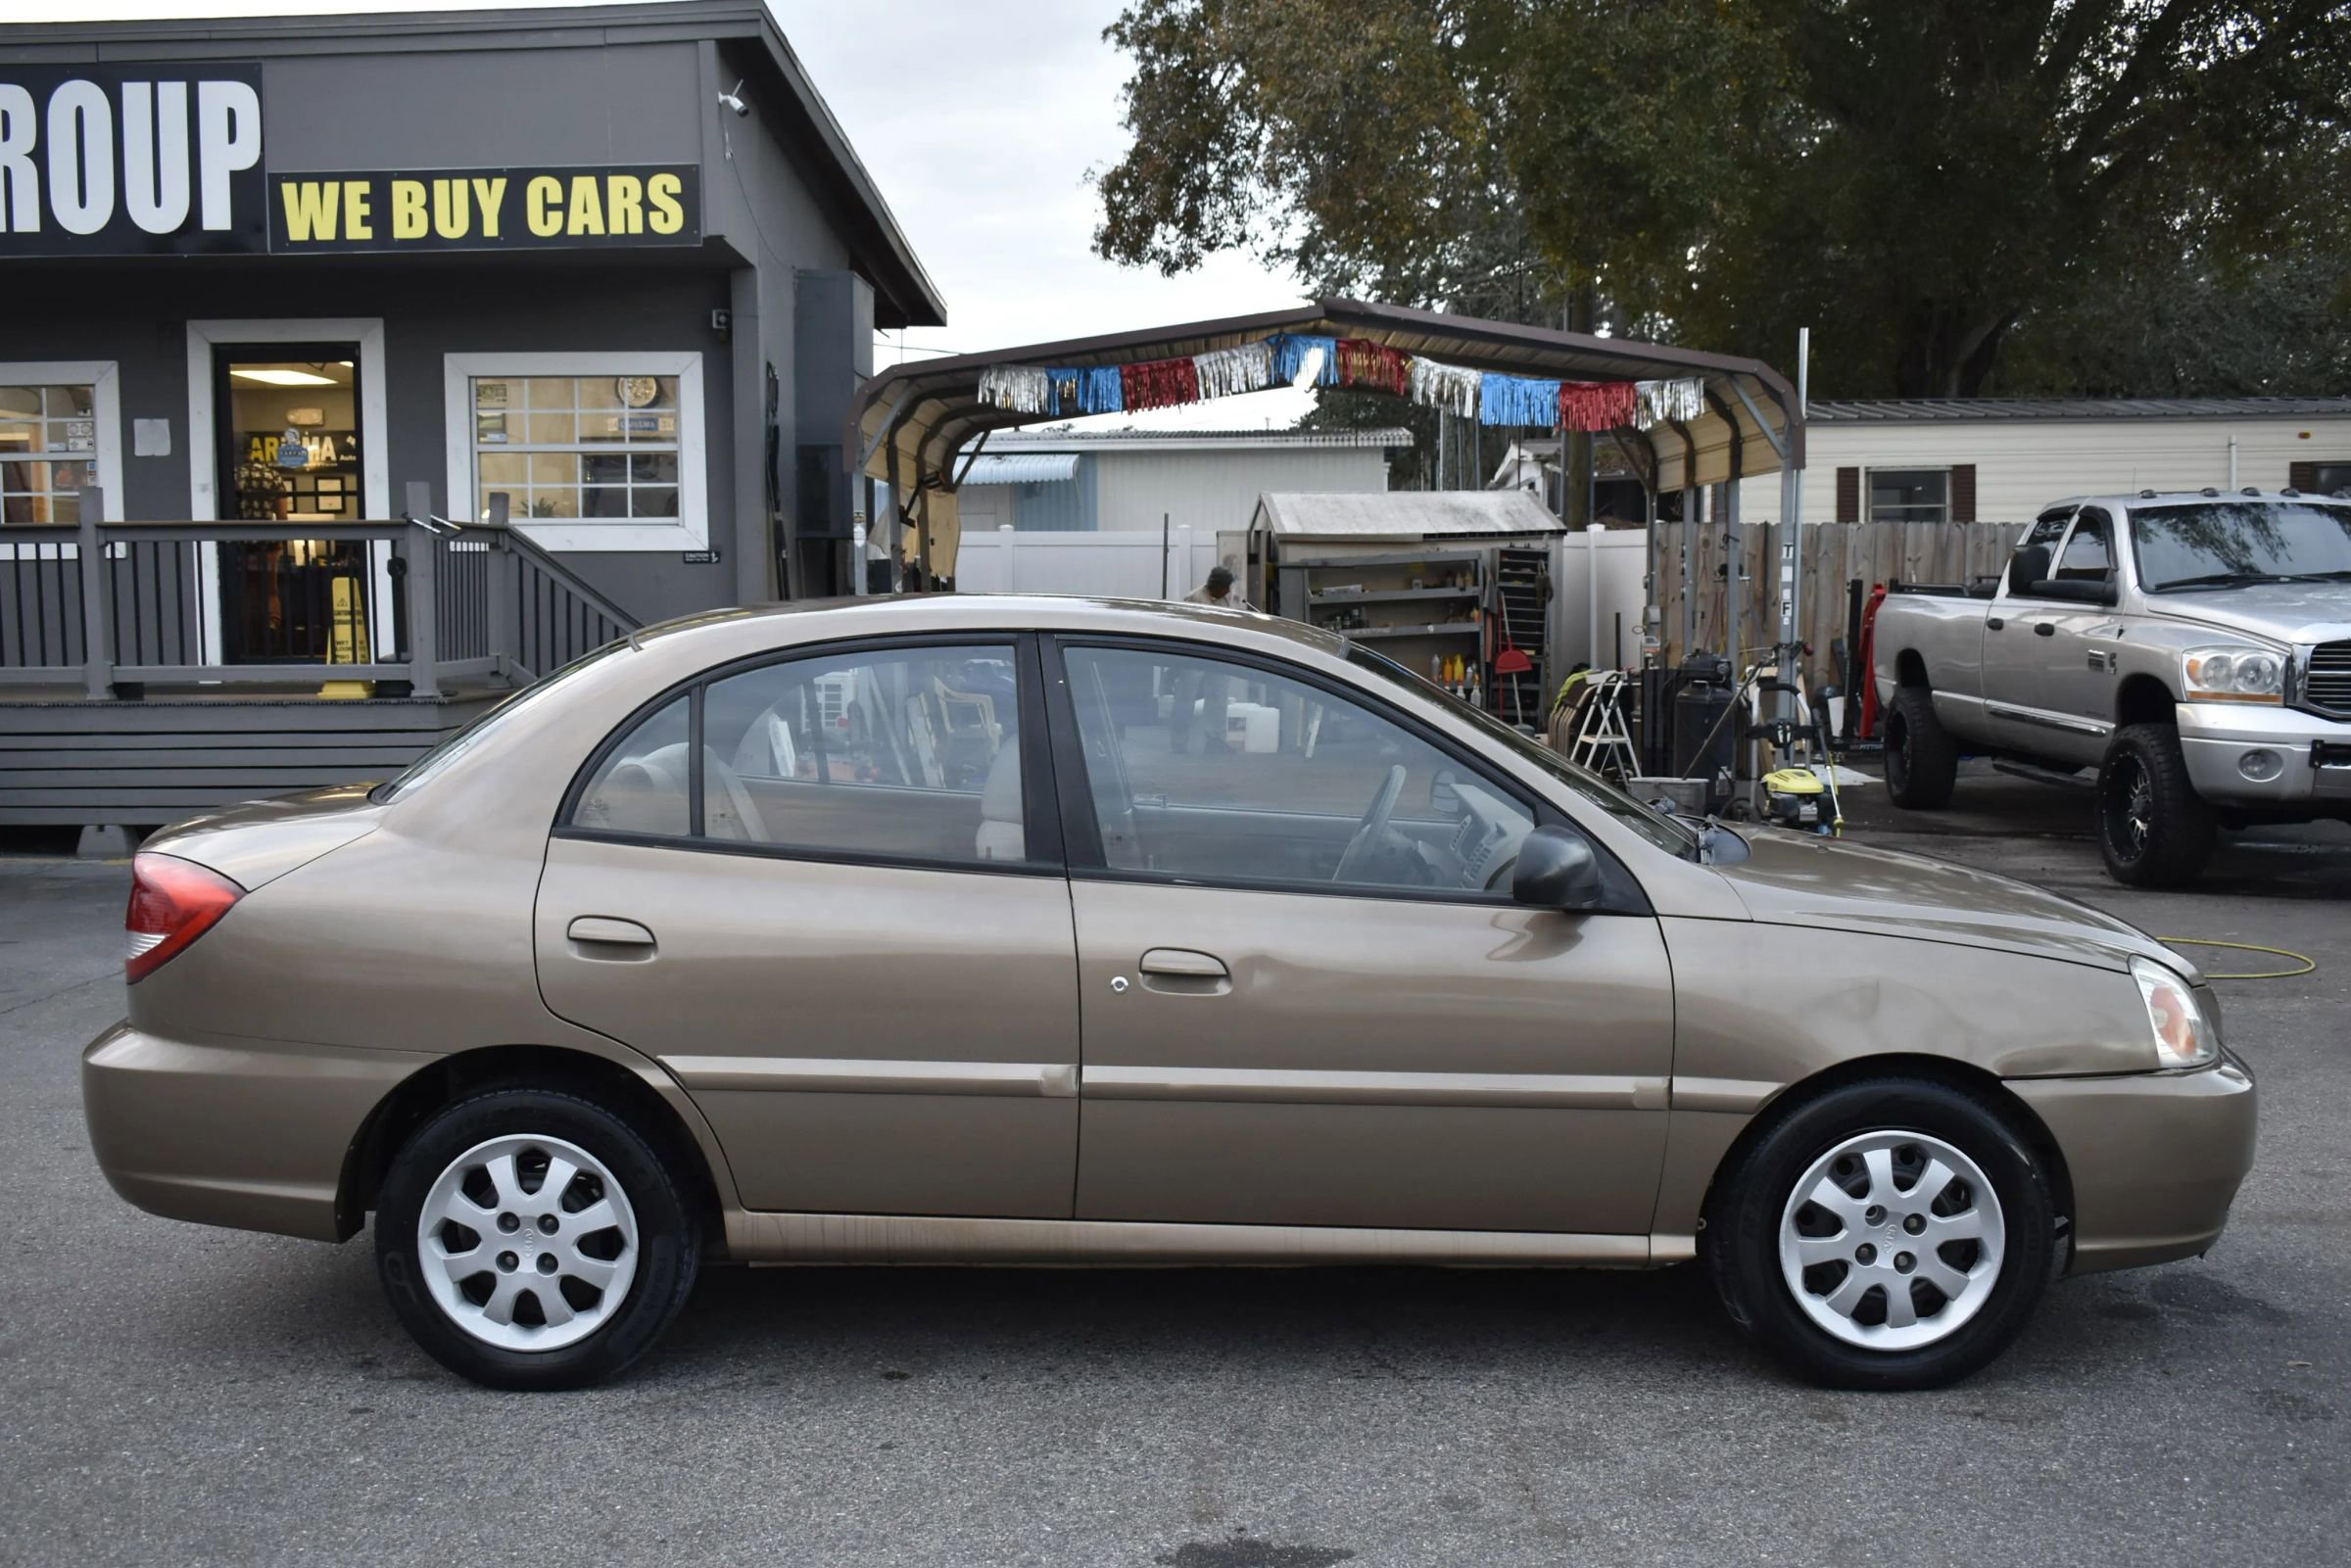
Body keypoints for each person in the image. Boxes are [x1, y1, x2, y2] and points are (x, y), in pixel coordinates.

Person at [1173, 566, 1251, 752]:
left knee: (1218, 698)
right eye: (1226, 588)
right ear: (1215, 586)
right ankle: (1179, 740)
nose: (1228, 592)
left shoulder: (1223, 598)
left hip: (1217, 653)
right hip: (1195, 653)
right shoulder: (1194, 599)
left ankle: (1214, 739)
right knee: (1186, 698)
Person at [1183, 565, 1251, 610]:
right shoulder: (1193, 598)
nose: (1228, 591)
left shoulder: (1222, 599)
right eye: (1226, 587)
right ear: (1217, 586)